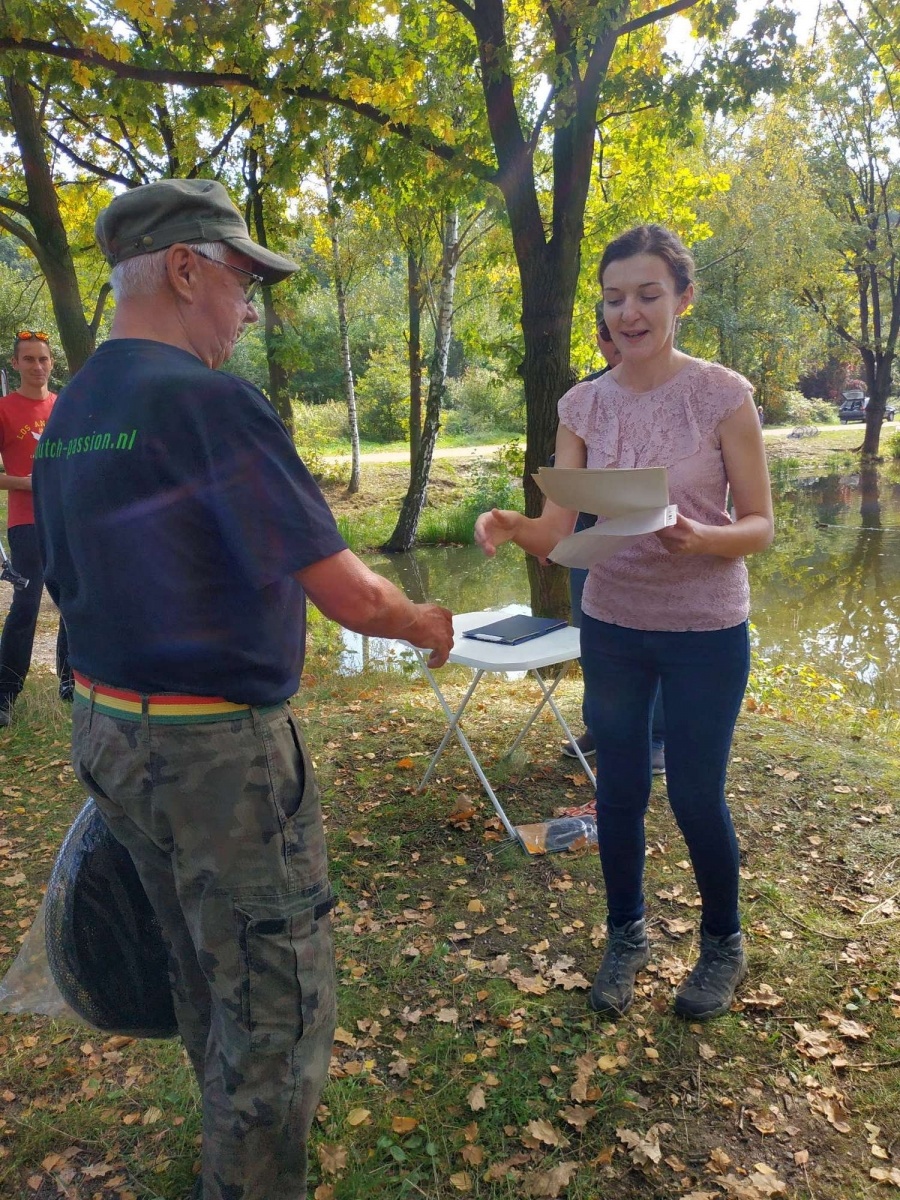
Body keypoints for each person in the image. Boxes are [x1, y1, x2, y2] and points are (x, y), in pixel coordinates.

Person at [33, 178, 454, 1200]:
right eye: (242, 280)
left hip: (108, 737)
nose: (250, 306)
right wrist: (421, 621)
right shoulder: (209, 403)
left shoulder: (72, 412)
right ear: (184, 268)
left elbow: (69, 575)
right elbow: (347, 592)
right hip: (215, 757)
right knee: (277, 1007)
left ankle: (225, 1138)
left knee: (192, 963)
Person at [476, 224, 773, 1021]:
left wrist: (701, 538)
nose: (629, 313)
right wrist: (513, 523)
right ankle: (626, 936)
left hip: (706, 630)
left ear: (681, 298)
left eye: (647, 294)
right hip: (611, 623)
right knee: (620, 788)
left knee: (697, 796)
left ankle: (722, 944)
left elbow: (760, 526)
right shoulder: (583, 403)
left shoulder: (722, 394)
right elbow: (557, 530)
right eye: (614, 299)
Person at [561, 312, 665, 779]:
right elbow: (566, 473)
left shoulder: (677, 390)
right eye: (609, 349)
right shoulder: (584, 398)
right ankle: (598, 728)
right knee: (593, 640)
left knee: (655, 645)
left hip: (653, 544)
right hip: (590, 541)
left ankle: (657, 737)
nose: (617, 359)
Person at [0, 331, 71, 727]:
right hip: (26, 521)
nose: (37, 366)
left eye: (43, 359)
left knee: (72, 598)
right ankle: (5, 693)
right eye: (28, 359)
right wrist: (23, 481)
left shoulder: (64, 407)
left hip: (64, 518)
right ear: (16, 364)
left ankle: (71, 681)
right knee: (26, 605)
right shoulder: (5, 409)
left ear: (51, 363)